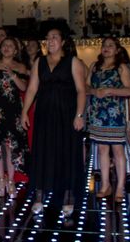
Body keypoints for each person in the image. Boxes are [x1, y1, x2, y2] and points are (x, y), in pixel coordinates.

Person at [21, 27, 86, 217]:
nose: (50, 41)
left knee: (67, 154)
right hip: (44, 114)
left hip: (67, 115)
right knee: (42, 152)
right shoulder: (39, 62)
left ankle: (68, 196)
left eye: (54, 37)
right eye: (48, 38)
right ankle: (39, 196)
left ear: (63, 41)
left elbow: (81, 90)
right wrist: (25, 112)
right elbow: (32, 89)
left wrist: (79, 115)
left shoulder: (73, 62)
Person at [86, 37, 130, 202]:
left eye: (110, 46)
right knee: (102, 150)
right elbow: (85, 86)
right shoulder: (94, 66)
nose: (106, 48)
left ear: (117, 50)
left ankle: (120, 186)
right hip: (97, 114)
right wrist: (94, 91)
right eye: (104, 45)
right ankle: (106, 185)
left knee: (118, 150)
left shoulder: (121, 68)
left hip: (115, 114)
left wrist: (109, 90)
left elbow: (129, 91)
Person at [0, 37, 29, 198]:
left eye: (10, 45)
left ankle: (11, 181)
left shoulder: (20, 66)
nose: (7, 48)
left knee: (10, 146)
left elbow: (24, 87)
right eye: (4, 45)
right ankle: (1, 182)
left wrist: (13, 75)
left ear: (16, 50)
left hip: (13, 109)